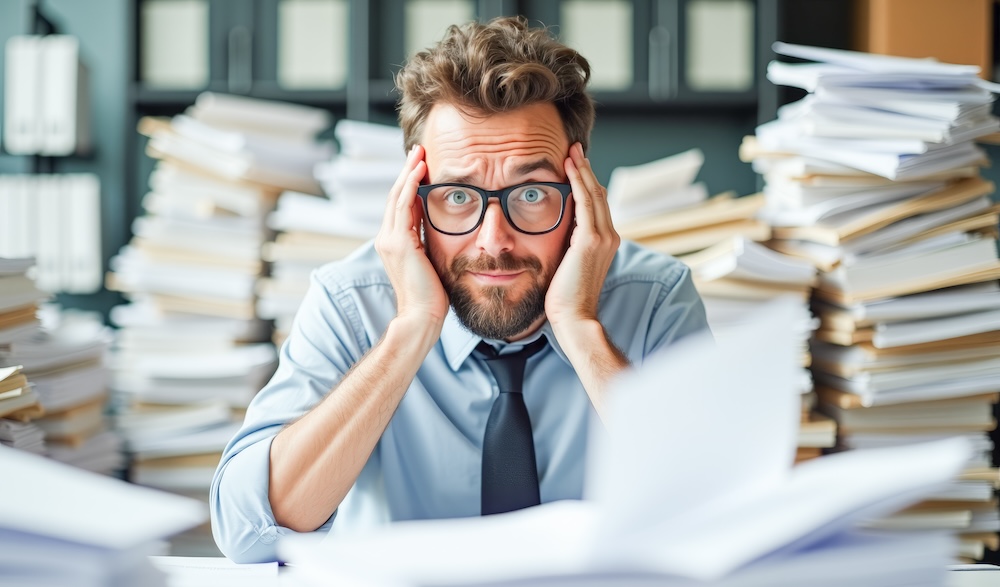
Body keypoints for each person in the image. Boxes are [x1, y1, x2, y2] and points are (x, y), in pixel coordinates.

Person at [210, 15, 708, 563]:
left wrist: (581, 329)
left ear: (583, 193)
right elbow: (249, 534)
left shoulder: (656, 296)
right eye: (457, 197)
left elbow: (718, 515)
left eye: (533, 194)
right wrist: (411, 329)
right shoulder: (351, 300)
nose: (494, 241)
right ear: (414, 200)